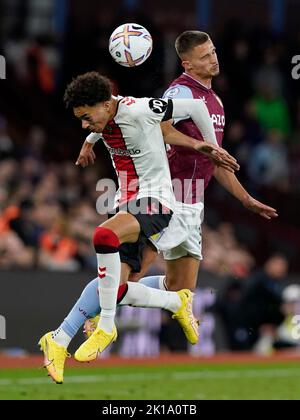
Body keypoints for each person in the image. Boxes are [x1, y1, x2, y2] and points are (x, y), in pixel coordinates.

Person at [38, 71, 239, 384]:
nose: (84, 125)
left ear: (105, 105)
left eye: (87, 118)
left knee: (103, 235)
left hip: (156, 201)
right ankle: (59, 340)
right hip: (127, 204)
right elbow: (101, 122)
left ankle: (106, 326)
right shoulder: (105, 116)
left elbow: (198, 107)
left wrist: (211, 147)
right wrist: (89, 141)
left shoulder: (142, 109)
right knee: (113, 289)